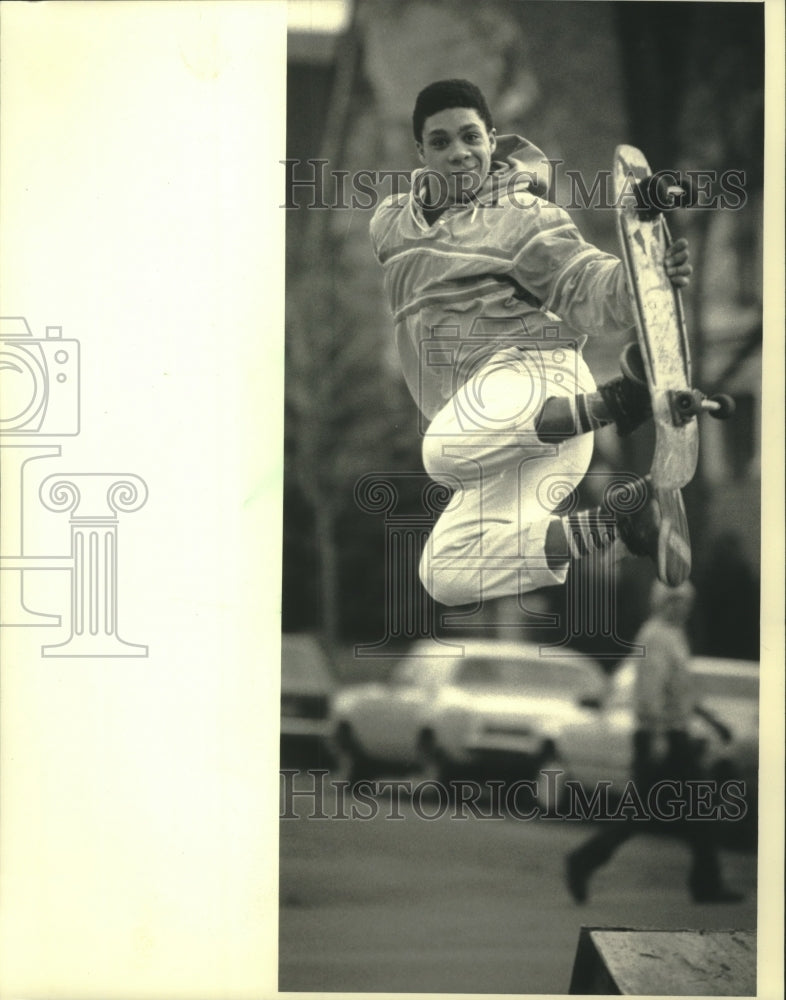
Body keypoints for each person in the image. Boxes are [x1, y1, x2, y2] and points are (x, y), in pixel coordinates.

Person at [370, 79, 693, 607]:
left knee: (442, 451)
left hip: (540, 380)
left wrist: (643, 278)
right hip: (508, 436)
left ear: (493, 140)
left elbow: (582, 279)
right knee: (445, 573)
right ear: (421, 153)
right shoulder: (389, 224)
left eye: (471, 137)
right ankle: (624, 520)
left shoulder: (524, 216)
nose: (459, 154)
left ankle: (618, 401)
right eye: (442, 142)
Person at [565, 579, 744, 904]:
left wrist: (710, 719)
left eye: (685, 601)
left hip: (674, 733)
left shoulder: (674, 635)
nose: (681, 607)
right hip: (659, 737)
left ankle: (706, 884)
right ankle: (582, 861)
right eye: (673, 601)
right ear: (660, 602)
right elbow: (649, 693)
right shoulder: (656, 636)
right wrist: (658, 736)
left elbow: (679, 688)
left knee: (698, 809)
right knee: (641, 814)